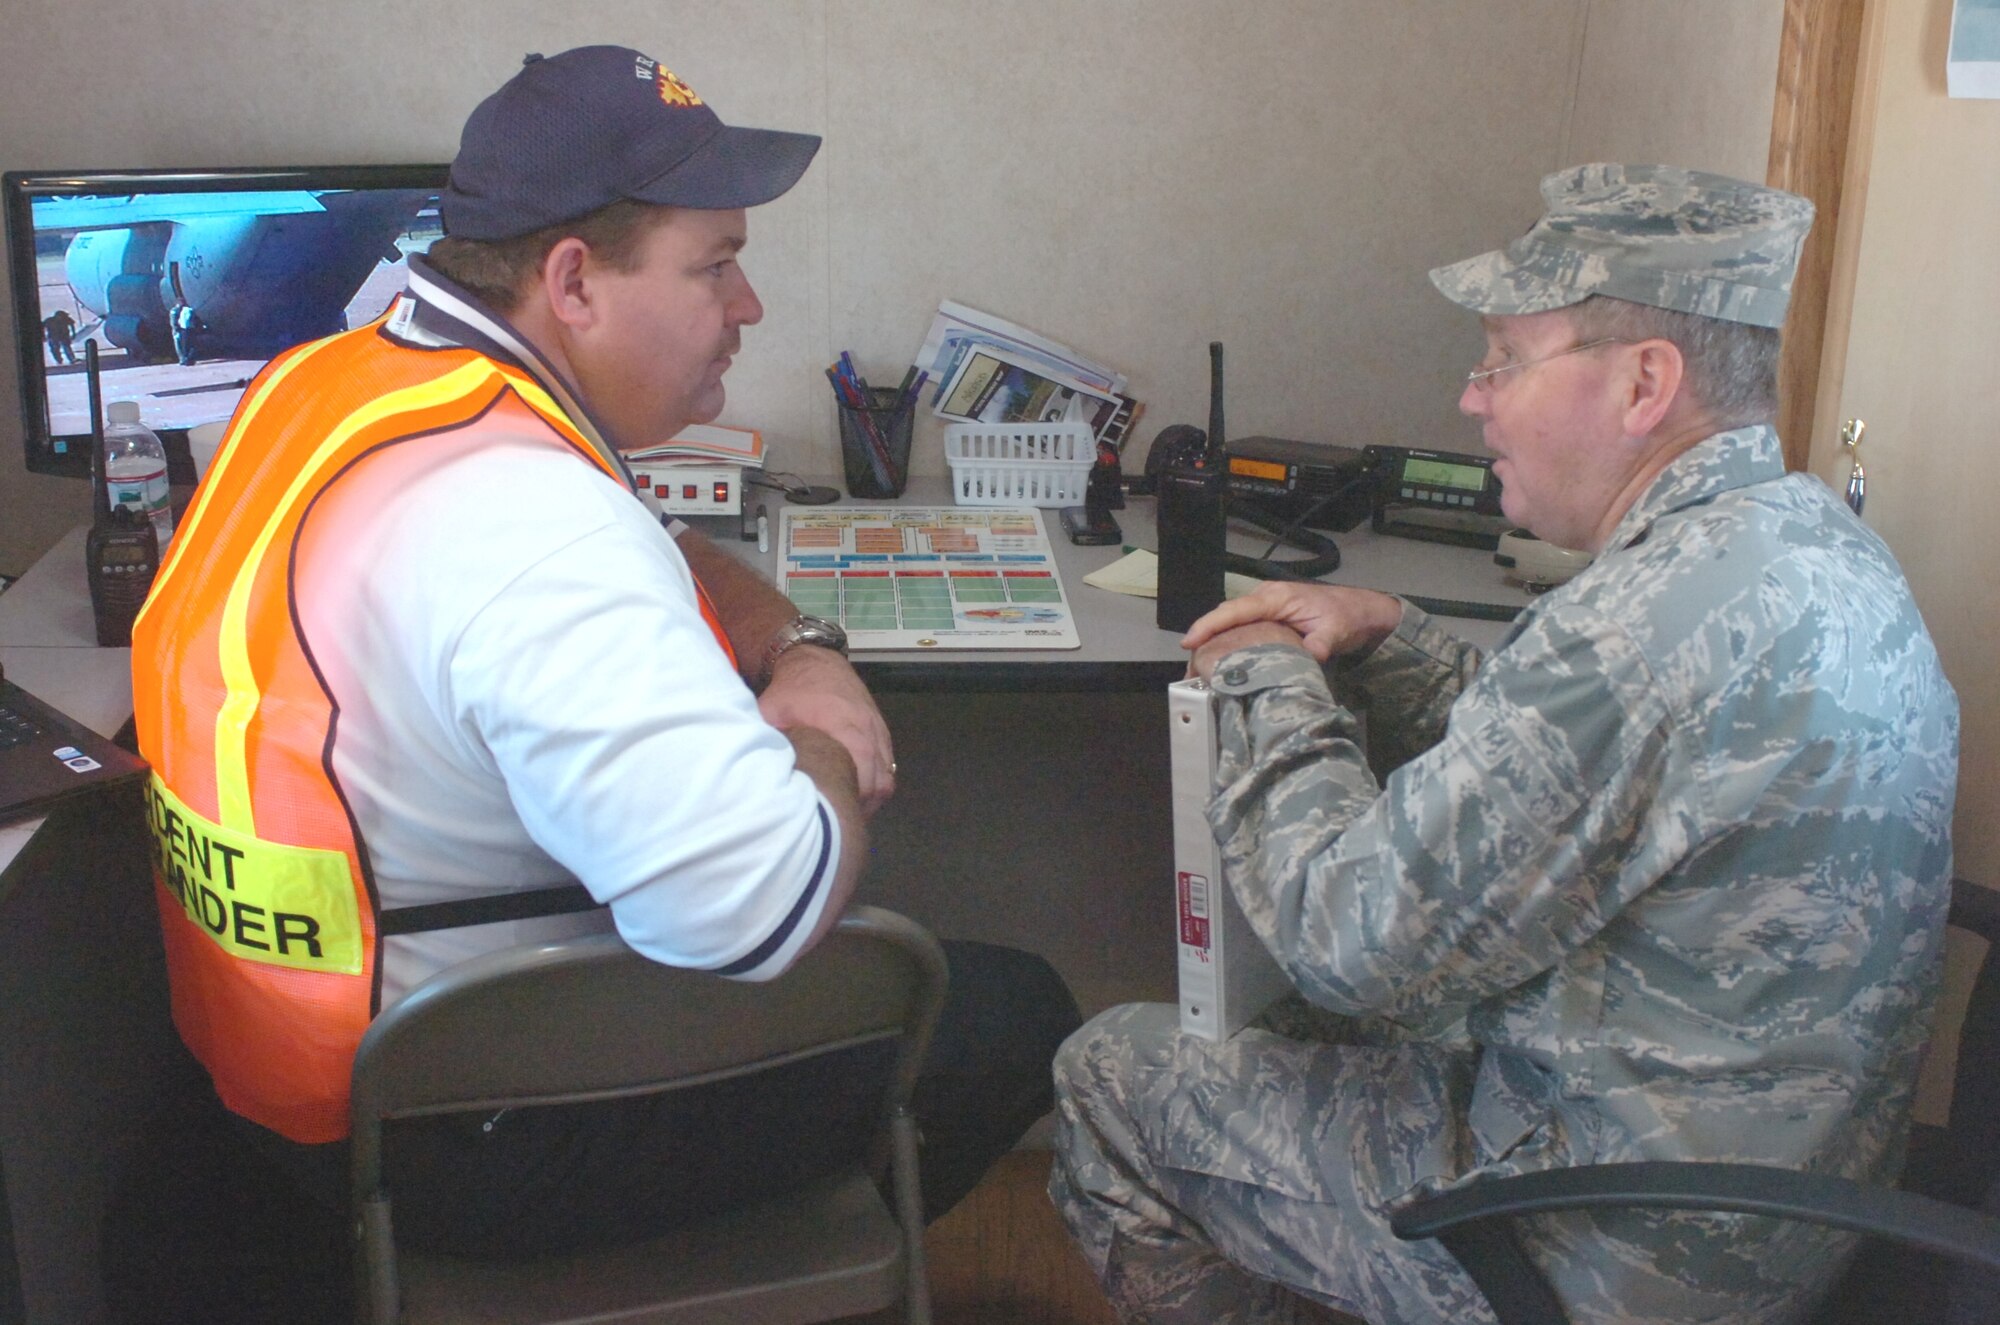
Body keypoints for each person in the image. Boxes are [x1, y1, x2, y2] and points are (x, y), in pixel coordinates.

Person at [130, 44, 1075, 1260]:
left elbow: (652, 536)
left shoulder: (338, 385)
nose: (750, 307)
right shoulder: (525, 517)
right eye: (717, 266)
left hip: (289, 1079)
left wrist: (795, 643)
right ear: (573, 280)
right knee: (1005, 1006)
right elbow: (756, 909)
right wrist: (824, 726)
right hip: (461, 1138)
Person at [1050, 164, 1960, 1324]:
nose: (1470, 399)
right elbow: (1590, 773)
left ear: (1643, 381)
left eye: (1500, 361)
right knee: (1287, 1033)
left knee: (1111, 1078)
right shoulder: (1799, 543)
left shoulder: (1640, 623)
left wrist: (1264, 674)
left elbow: (1341, 930)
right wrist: (1398, 636)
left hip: (1611, 1237)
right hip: (1780, 1194)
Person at [169, 296, 202, 365]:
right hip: (181, 330)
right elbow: (173, 321)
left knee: (182, 346)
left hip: (181, 330)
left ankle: (184, 359)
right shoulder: (177, 310)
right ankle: (183, 359)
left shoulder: (178, 310)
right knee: (182, 345)